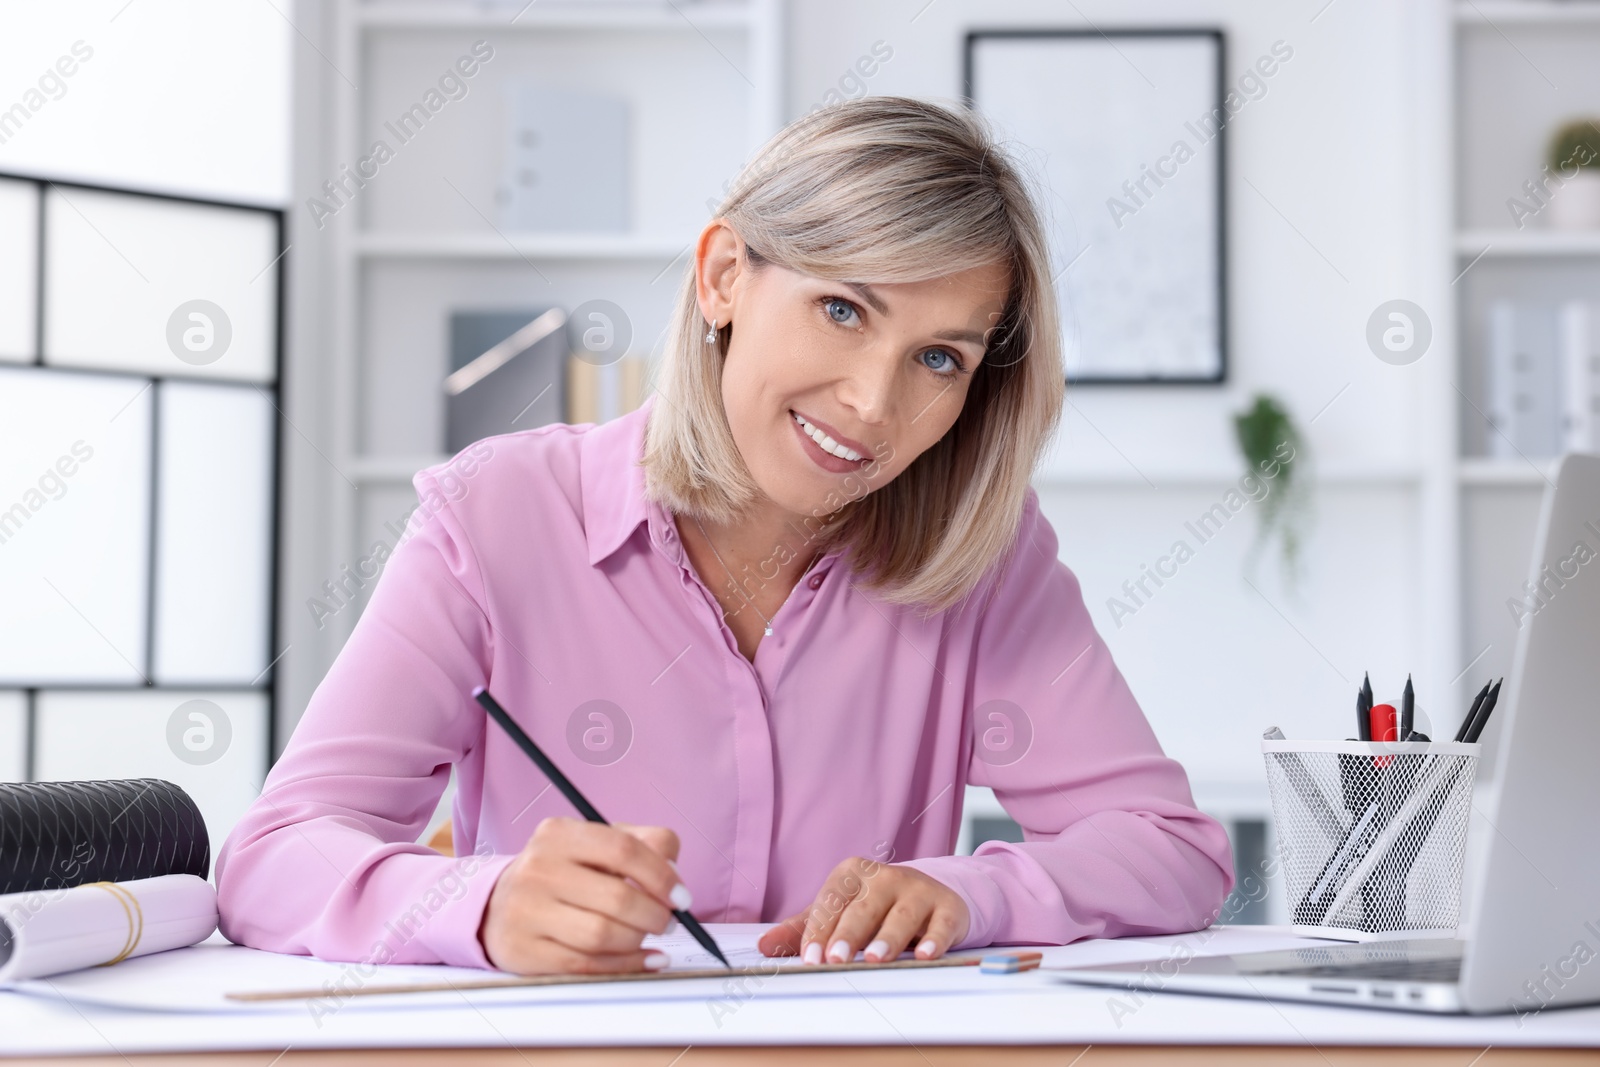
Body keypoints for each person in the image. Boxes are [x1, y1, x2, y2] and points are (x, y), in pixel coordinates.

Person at [215, 96, 1234, 976]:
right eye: (842, 308)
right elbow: (272, 856)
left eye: (937, 358)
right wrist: (479, 905)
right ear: (723, 277)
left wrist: (974, 892)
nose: (872, 402)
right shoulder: (498, 516)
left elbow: (1168, 849)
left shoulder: (985, 555)